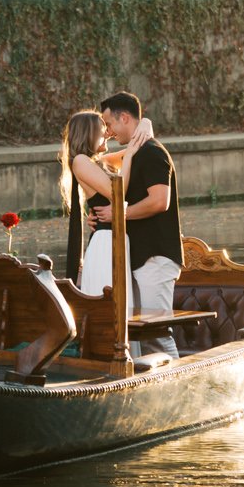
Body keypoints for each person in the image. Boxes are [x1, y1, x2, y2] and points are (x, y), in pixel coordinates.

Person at [90, 91, 183, 359]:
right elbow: (91, 160)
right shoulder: (134, 151)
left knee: (158, 333)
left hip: (156, 257)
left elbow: (159, 202)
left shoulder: (152, 152)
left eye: (110, 124)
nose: (107, 132)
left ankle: (179, 389)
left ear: (125, 118)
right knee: (141, 333)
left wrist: (118, 213)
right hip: (140, 257)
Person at [58, 108, 141, 301]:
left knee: (123, 305)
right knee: (112, 306)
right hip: (105, 243)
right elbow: (117, 193)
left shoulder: (99, 162)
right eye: (102, 130)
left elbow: (134, 149)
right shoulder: (80, 161)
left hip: (117, 239)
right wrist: (129, 157)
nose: (107, 133)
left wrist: (143, 125)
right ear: (90, 133)